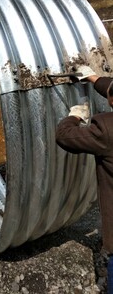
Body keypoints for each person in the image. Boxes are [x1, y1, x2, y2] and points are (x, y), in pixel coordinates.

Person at [55, 65, 113, 293]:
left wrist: (74, 117)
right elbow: (111, 87)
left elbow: (65, 137)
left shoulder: (106, 129)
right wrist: (94, 78)